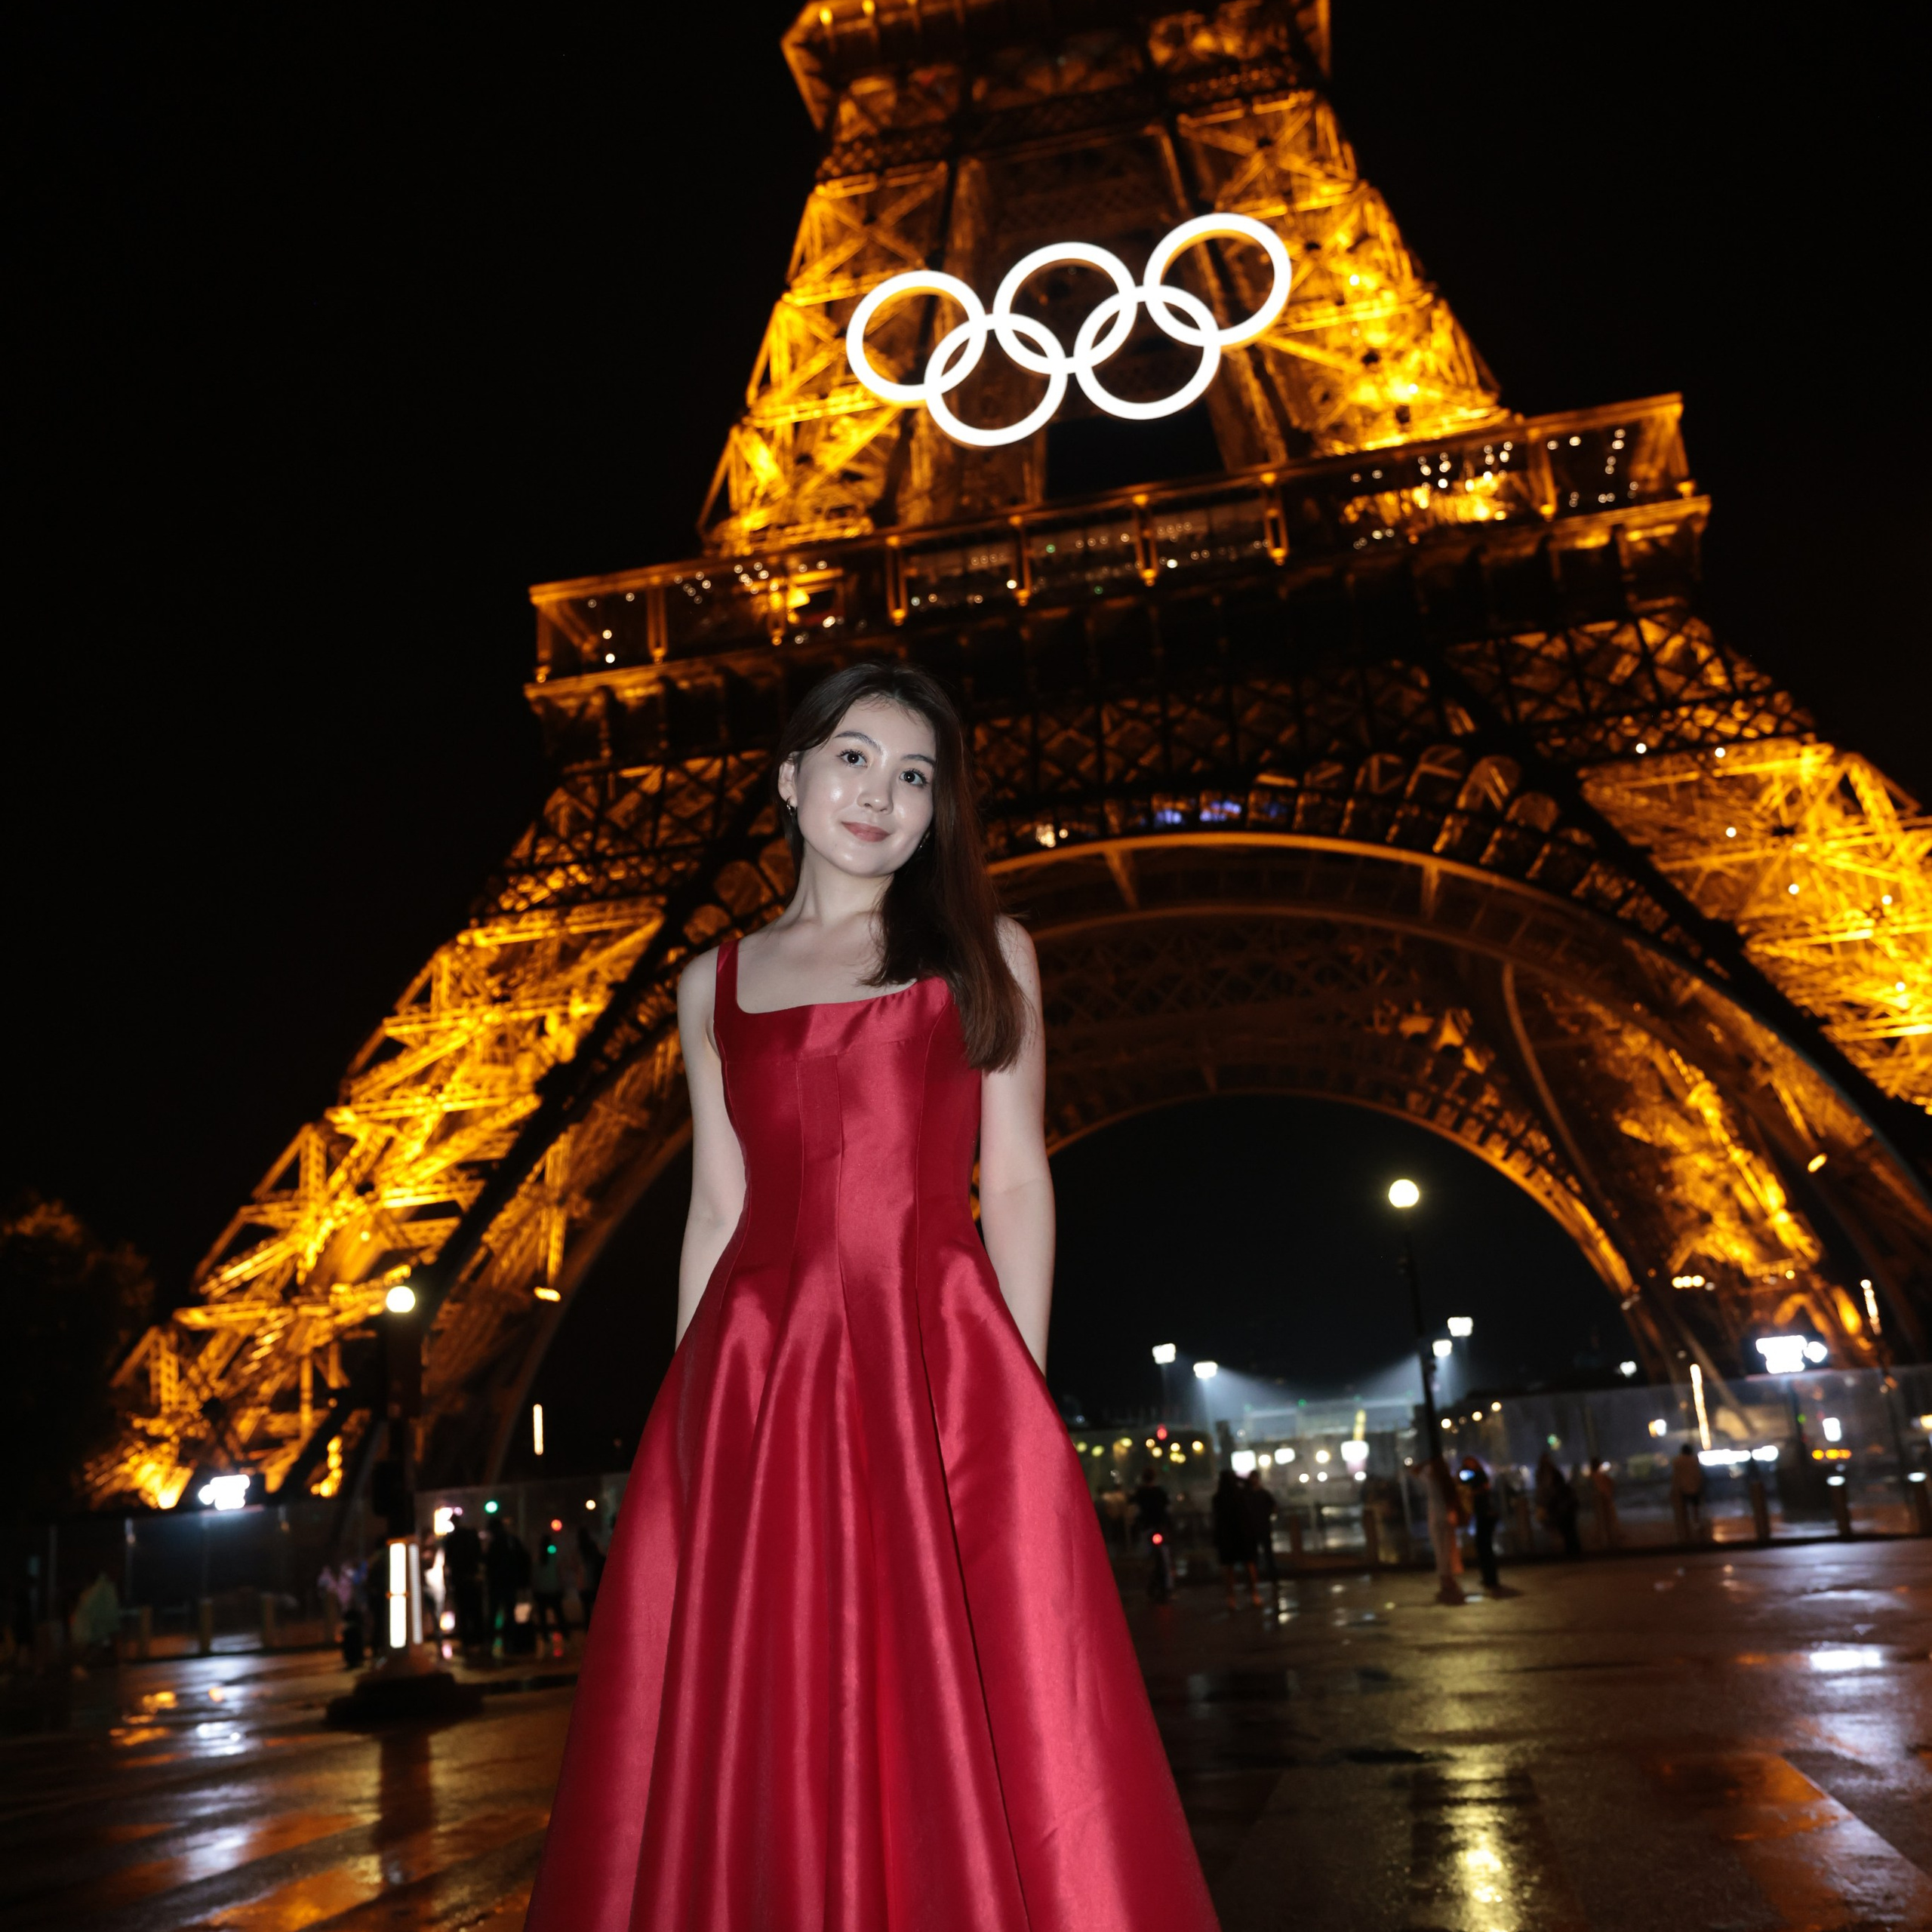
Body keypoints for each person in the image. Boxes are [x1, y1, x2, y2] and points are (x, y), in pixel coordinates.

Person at [525, 663, 1217, 1932]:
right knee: (777, 1691)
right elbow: (719, 1210)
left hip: (929, 1348)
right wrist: (689, 1421)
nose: (881, 797)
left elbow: (1012, 1182)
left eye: (915, 778)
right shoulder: (709, 985)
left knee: (947, 1671)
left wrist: (1015, 1390)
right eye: (853, 759)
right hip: (758, 1372)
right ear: (789, 779)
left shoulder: (985, 954)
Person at [1456, 1455, 1508, 1594]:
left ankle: (1491, 1578)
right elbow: (1461, 1481)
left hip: (1485, 1514)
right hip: (1482, 1514)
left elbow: (1483, 1488)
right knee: (1483, 1546)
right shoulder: (1474, 1475)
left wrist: (1472, 1493)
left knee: (1484, 1546)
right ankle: (1489, 1578)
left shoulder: (1479, 1475)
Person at [1212, 1468, 1262, 1607]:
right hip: (1243, 1534)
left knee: (1229, 1569)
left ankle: (1231, 1598)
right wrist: (1238, 1479)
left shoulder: (1217, 1499)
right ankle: (1254, 1594)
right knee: (1249, 1564)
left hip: (1226, 1537)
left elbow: (1217, 1520)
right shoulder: (1242, 1495)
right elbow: (1250, 1486)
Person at [1423, 1451, 1467, 1604]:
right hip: (1447, 1516)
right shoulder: (1446, 1480)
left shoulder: (1429, 1477)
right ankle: (1449, 1578)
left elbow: (1415, 1472)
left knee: (1440, 1550)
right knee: (1448, 1548)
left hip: (1436, 1516)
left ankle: (1445, 1578)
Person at [1131, 1464, 1175, 1600]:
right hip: (1160, 1527)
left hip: (1147, 1528)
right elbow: (1168, 1509)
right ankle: (1168, 1587)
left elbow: (1135, 1509)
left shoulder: (1140, 1493)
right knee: (1166, 1559)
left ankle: (1150, 1584)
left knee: (1146, 1558)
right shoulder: (1160, 1491)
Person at [1535, 1451, 1582, 1558]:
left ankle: (1571, 1550)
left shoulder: (1546, 1474)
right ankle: (1572, 1550)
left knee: (1566, 1529)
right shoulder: (1552, 1473)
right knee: (1568, 1529)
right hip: (1561, 1505)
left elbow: (1549, 1491)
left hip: (1558, 1505)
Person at [531, 1532, 568, 1652]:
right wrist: (562, 1586)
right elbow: (560, 1572)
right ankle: (567, 1637)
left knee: (543, 1618)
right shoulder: (554, 1556)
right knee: (559, 1615)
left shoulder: (536, 1558)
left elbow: (534, 1576)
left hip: (541, 1591)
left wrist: (534, 1589)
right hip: (554, 1590)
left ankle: (546, 1640)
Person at [1242, 1470, 1279, 1585]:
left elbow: (1274, 1507)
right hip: (1259, 1528)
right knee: (1262, 1556)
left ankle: (1255, 1581)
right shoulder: (1261, 1493)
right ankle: (1268, 1580)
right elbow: (1274, 1507)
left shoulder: (1252, 1494)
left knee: (1258, 1556)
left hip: (1257, 1528)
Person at [575, 1519, 605, 1627]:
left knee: (587, 1611)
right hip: (595, 1582)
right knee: (597, 1610)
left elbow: (573, 1566)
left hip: (583, 1585)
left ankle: (589, 1632)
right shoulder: (594, 1548)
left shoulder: (578, 1551)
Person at [1673, 1441, 1707, 1534]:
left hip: (1682, 1488)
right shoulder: (1694, 1460)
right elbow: (1698, 1474)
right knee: (1695, 1507)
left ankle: (1685, 1523)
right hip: (1694, 1486)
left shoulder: (1677, 1461)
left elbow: (1676, 1476)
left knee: (1684, 1508)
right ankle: (1696, 1522)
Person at [1588, 1457, 1621, 1548]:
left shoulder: (1593, 1477)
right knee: (1608, 1521)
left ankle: (1606, 1541)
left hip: (1602, 1501)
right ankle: (1609, 1540)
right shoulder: (1599, 1476)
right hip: (1605, 1501)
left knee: (1602, 1522)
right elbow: (1609, 1484)